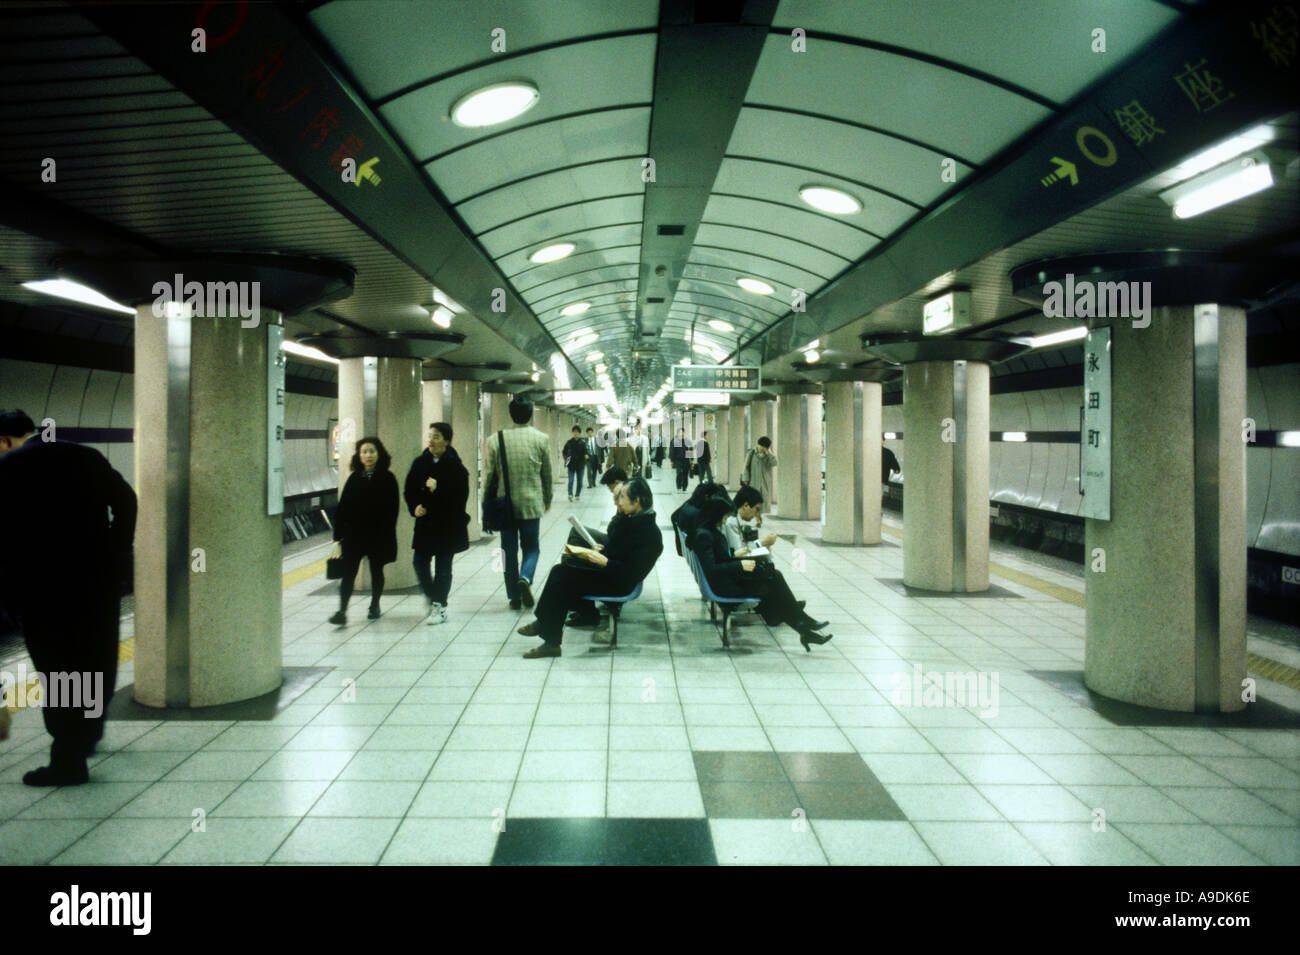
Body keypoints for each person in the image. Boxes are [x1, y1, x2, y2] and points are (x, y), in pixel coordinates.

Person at [0, 409, 136, 786]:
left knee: (58, 668)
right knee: (95, 657)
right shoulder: (85, 455)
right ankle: (88, 734)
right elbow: (126, 500)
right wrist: (117, 549)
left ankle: (67, 760)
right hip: (97, 579)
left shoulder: (9, 467)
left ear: (3, 440)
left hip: (43, 588)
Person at [517, 477, 663, 657]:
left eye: (623, 497)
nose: (619, 502)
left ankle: (548, 634)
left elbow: (631, 574)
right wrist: (604, 550)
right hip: (610, 573)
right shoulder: (633, 519)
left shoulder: (650, 535)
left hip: (619, 584)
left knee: (561, 575)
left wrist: (605, 562)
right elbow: (618, 546)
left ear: (637, 501)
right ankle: (549, 631)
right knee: (564, 568)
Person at [691, 497, 831, 652]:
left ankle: (803, 627)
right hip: (724, 587)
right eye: (724, 516)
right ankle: (802, 623)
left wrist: (735, 554)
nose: (725, 520)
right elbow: (712, 569)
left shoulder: (709, 532)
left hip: (727, 579)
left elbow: (719, 558)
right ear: (716, 515)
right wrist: (739, 564)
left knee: (773, 578)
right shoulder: (704, 535)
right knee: (774, 582)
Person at [484, 395, 552, 610]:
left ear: (510, 414)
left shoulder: (496, 439)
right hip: (531, 504)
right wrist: (547, 498)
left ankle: (513, 596)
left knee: (508, 551)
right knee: (532, 548)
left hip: (506, 507)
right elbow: (547, 474)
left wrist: (486, 502)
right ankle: (526, 577)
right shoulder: (541, 439)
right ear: (531, 414)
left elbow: (488, 476)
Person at [404, 422, 469, 626]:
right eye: (430, 435)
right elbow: (409, 490)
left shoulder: (456, 467)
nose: (431, 440)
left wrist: (438, 489)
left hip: (447, 526)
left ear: (446, 441)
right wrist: (414, 507)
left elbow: (460, 498)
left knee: (443, 567)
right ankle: (435, 599)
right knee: (419, 563)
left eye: (437, 436)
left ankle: (439, 606)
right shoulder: (419, 463)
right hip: (425, 525)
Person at [330, 436, 399, 625]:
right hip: (354, 536)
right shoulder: (354, 479)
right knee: (349, 573)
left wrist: (386, 533)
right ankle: (342, 611)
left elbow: (393, 510)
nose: (368, 455)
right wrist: (338, 537)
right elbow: (343, 508)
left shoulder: (388, 478)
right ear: (359, 456)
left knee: (377, 570)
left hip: (378, 535)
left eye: (372, 451)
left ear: (379, 454)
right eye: (364, 452)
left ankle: (375, 604)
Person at [564, 465, 628, 629]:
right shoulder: (628, 495)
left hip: (614, 550)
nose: (611, 494)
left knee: (569, 559)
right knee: (575, 535)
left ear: (617, 482)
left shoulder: (628, 498)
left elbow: (617, 529)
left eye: (610, 487)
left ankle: (583, 608)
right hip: (615, 545)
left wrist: (604, 550)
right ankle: (579, 601)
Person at [724, 484, 778, 556]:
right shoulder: (731, 522)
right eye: (756, 509)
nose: (757, 514)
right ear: (746, 505)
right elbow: (739, 553)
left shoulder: (735, 519)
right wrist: (762, 543)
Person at [740, 435, 777, 504]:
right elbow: (746, 466)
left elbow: (774, 463)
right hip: (753, 481)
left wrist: (770, 453)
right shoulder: (752, 453)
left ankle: (759, 514)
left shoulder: (768, 455)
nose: (763, 448)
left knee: (763, 501)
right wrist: (745, 479)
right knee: (753, 500)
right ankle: (755, 514)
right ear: (758, 444)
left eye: (765, 447)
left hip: (764, 481)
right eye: (762, 446)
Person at [562, 426, 588, 501]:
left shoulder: (583, 443)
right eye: (574, 432)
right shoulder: (569, 442)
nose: (575, 433)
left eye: (577, 432)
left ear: (579, 433)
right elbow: (564, 452)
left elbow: (587, 451)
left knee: (580, 481)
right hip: (571, 465)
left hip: (580, 465)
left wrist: (586, 455)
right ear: (572, 433)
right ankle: (570, 494)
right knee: (571, 480)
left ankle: (577, 495)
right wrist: (566, 460)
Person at [670, 427, 690, 491]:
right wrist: (672, 461)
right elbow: (672, 451)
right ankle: (678, 486)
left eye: (683, 432)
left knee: (685, 474)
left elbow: (690, 450)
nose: (682, 434)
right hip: (678, 460)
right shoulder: (675, 441)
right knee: (679, 473)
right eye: (681, 432)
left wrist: (692, 460)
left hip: (686, 460)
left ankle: (684, 487)